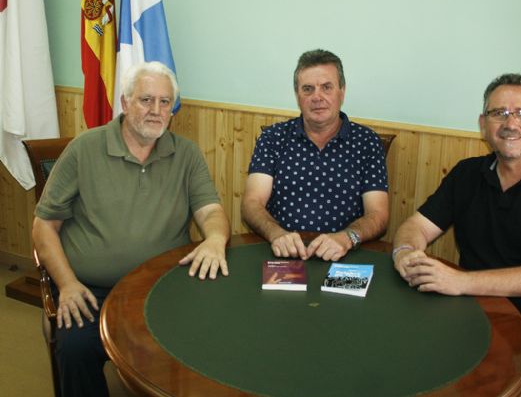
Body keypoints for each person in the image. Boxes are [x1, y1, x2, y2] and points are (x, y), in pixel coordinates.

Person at [32, 61, 230, 397]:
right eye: (146, 100)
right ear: (125, 103)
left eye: (165, 102)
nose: (156, 110)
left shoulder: (186, 153)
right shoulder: (84, 149)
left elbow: (210, 210)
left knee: (213, 337)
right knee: (77, 348)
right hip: (92, 291)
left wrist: (215, 238)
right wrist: (65, 284)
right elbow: (43, 226)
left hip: (164, 289)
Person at [391, 73, 521, 397]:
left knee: (500, 391)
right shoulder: (467, 173)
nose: (509, 122)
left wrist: (458, 282)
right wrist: (404, 251)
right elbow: (416, 226)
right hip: (476, 307)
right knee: (401, 355)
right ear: (483, 124)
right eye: (498, 113)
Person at [242, 49, 389, 261]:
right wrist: (276, 234)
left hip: (345, 255)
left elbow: (379, 214)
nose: (317, 97)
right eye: (308, 89)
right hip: (283, 254)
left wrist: (347, 238)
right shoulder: (273, 138)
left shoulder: (367, 142)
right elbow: (251, 202)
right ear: (297, 96)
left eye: (326, 87)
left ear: (342, 92)